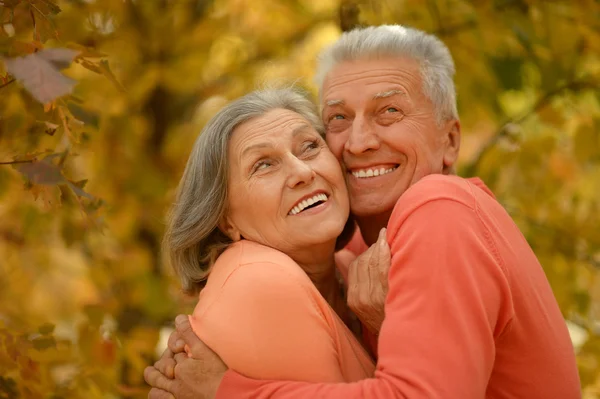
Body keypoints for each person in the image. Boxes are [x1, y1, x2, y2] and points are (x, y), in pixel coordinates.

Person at [145, 25, 581, 398]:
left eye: (388, 111)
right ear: (225, 218)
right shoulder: (354, 256)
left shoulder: (439, 209)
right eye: (336, 119)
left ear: (449, 141)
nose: (358, 142)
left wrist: (228, 389)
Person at [154, 87, 389, 390]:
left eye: (308, 147)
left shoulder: (350, 267)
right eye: (263, 165)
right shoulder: (257, 279)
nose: (302, 171)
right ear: (225, 220)